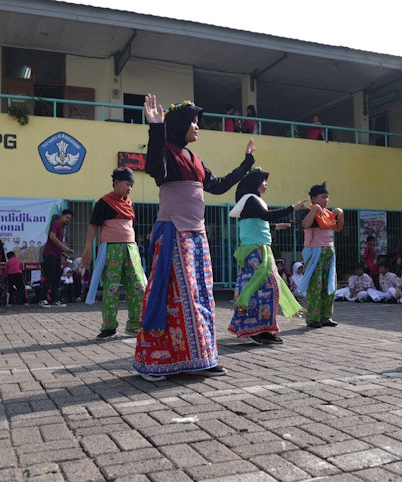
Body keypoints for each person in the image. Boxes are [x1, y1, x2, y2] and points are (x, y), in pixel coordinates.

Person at [134, 94, 255, 381]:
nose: (198, 127)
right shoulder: (166, 153)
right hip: (174, 233)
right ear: (179, 125)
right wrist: (155, 128)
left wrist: (247, 163)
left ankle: (200, 357)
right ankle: (156, 362)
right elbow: (153, 168)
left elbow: (219, 185)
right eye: (194, 122)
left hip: (197, 238)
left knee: (201, 298)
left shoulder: (193, 159)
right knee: (176, 299)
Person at [227, 168, 306, 344]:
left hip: (256, 250)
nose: (266, 184)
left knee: (261, 288)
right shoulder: (251, 199)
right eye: (263, 180)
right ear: (255, 182)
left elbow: (255, 223)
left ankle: (261, 329)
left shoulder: (251, 201)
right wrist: (293, 208)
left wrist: (275, 227)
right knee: (268, 288)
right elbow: (265, 216)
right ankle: (257, 330)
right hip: (258, 253)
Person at [82, 167, 147, 339]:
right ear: (116, 183)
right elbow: (92, 226)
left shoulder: (129, 202)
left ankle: (135, 325)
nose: (130, 188)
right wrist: (88, 248)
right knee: (111, 288)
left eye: (132, 184)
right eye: (127, 184)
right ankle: (109, 327)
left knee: (138, 287)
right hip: (111, 250)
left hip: (131, 249)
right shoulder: (103, 202)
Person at [298, 182, 344, 328]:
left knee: (329, 284)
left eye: (327, 197)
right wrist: (315, 210)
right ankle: (313, 318)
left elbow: (338, 228)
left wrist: (340, 213)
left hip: (329, 251)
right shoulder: (308, 211)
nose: (326, 200)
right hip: (315, 251)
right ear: (313, 198)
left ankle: (326, 317)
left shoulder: (328, 213)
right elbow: (305, 225)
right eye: (323, 197)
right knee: (315, 286)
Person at [40, 209, 73, 307]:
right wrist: (64, 247)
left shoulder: (63, 229)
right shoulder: (56, 224)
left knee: (56, 278)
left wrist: (64, 253)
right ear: (62, 216)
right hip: (50, 254)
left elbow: (58, 243)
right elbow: (52, 237)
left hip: (57, 255)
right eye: (67, 217)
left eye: (70, 219)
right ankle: (42, 299)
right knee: (50, 276)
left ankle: (55, 300)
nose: (68, 220)